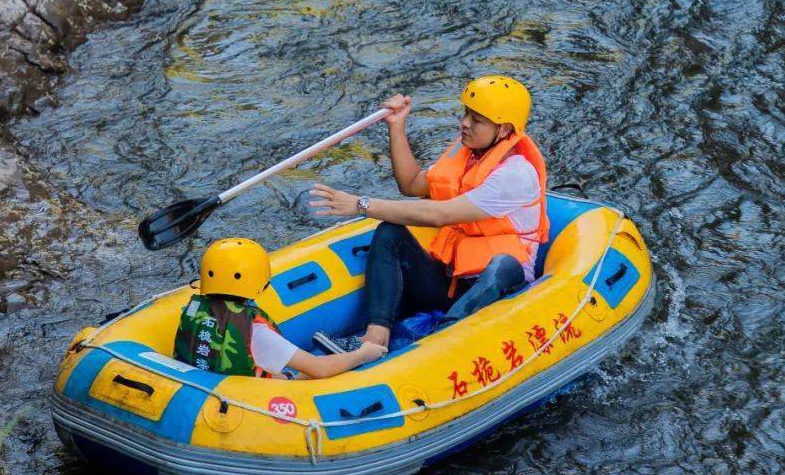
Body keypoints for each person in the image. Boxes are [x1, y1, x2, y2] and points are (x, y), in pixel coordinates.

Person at [309, 76, 548, 355]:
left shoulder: (515, 174)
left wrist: (361, 205)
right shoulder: (469, 153)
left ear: (504, 128)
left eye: (477, 120)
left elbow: (439, 215)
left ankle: (441, 345)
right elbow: (411, 184)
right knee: (391, 231)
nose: (465, 124)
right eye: (466, 114)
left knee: (503, 265)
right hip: (454, 283)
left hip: (502, 292)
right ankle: (374, 341)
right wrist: (397, 128)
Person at [174, 236, 385, 378]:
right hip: (249, 405)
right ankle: (350, 350)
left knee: (283, 374)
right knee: (304, 376)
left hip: (210, 390)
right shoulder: (256, 332)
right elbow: (321, 369)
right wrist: (364, 353)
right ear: (261, 283)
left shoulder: (194, 311)